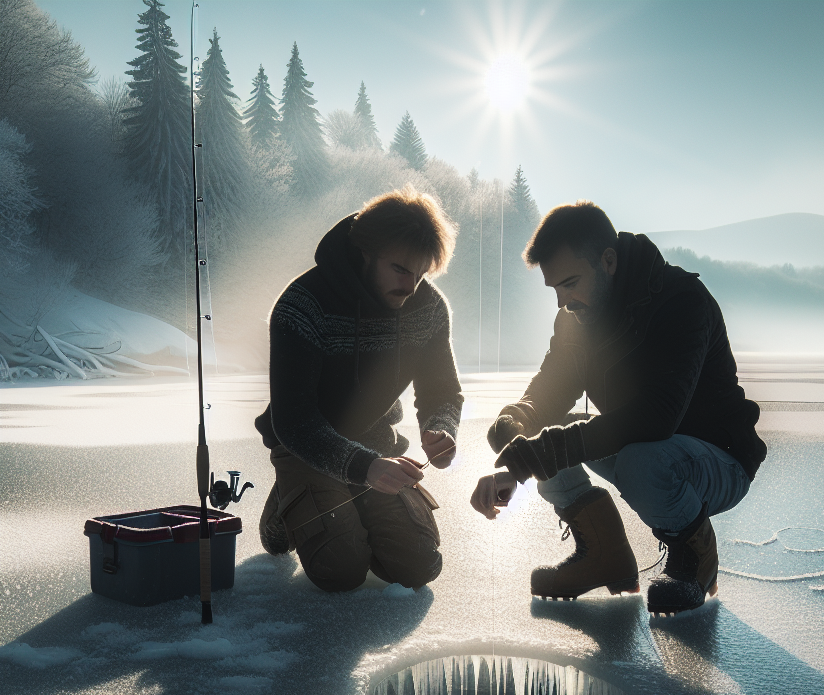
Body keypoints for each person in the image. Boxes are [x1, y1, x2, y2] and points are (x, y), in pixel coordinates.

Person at [470, 201, 767, 616]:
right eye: (555, 289)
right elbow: (550, 391)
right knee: (553, 436)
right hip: (643, 449)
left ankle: (694, 557)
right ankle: (603, 555)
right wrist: (515, 422)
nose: (562, 302)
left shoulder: (680, 301)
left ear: (608, 261)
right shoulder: (577, 318)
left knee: (641, 461)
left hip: (720, 460)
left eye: (570, 283)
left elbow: (656, 417)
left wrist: (530, 458)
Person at [256, 186, 463, 592]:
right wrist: (364, 467)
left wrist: (441, 428)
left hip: (376, 443)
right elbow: (295, 420)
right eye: (400, 269)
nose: (411, 286)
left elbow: (443, 391)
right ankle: (287, 498)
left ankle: (341, 497)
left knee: (419, 566)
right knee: (341, 570)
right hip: (304, 445)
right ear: (366, 252)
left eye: (421, 274)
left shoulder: (429, 308)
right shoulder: (302, 306)